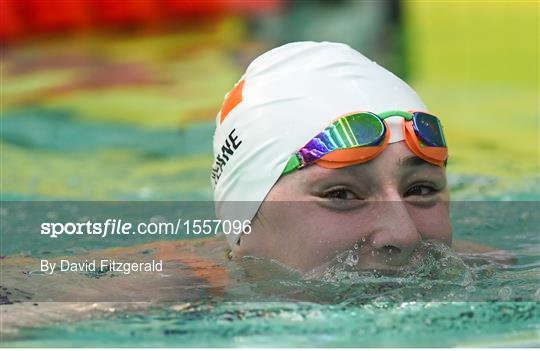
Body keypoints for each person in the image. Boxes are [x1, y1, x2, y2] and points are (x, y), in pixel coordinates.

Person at [212, 41, 510, 274]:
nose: (404, 236)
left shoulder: (501, 273)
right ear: (240, 226)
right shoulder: (176, 300)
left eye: (421, 190)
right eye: (341, 194)